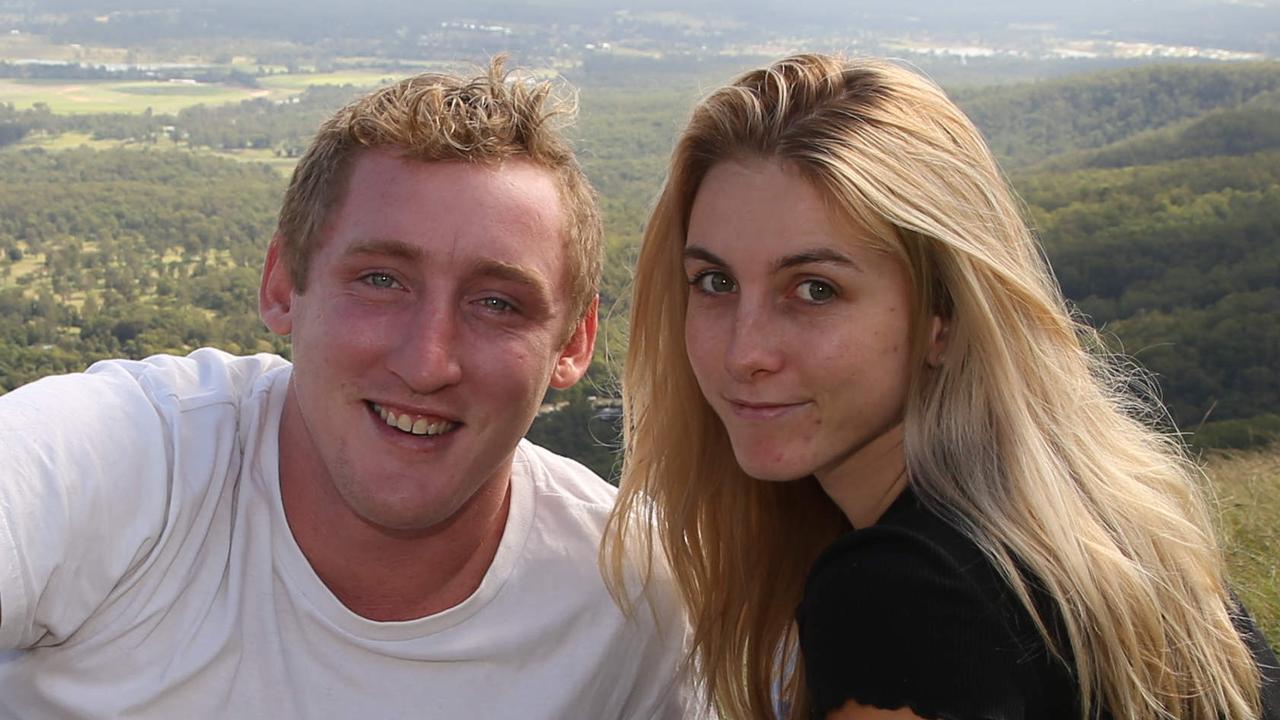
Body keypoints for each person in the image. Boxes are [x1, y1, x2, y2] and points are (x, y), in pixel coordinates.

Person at [0, 59, 698, 718]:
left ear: (572, 342)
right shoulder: (122, 463)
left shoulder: (635, 597)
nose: (428, 363)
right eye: (381, 281)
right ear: (282, 285)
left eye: (497, 303)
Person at [603, 53, 1280, 720]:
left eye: (815, 289)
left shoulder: (904, 598)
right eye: (715, 283)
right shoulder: (1097, 534)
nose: (744, 351)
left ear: (944, 317)